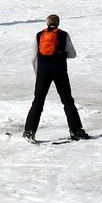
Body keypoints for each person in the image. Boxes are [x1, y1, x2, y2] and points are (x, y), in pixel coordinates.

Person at [22, 14, 89, 143]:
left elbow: (33, 57)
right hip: (60, 71)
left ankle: (29, 131)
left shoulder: (39, 35)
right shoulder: (63, 35)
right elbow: (73, 54)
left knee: (38, 100)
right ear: (58, 23)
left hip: (43, 72)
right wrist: (61, 54)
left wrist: (38, 72)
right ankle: (76, 130)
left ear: (47, 23)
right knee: (67, 100)